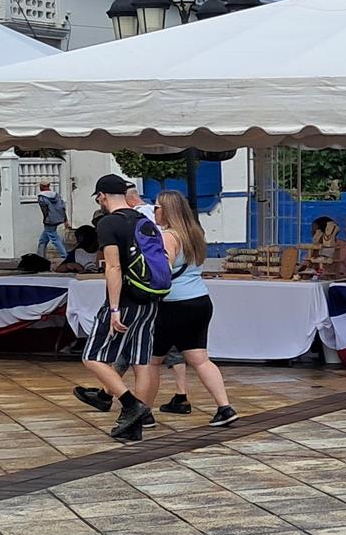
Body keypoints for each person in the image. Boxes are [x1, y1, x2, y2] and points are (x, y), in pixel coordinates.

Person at [74, 174, 165, 442]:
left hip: (124, 300)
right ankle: (135, 425)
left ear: (101, 196)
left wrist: (114, 309)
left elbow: (113, 267)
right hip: (149, 299)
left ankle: (130, 404)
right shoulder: (144, 220)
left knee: (92, 357)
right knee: (141, 361)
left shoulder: (108, 223)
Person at [150, 190, 239, 428]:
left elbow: (163, 272)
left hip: (173, 304)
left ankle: (142, 413)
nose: (154, 211)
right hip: (199, 299)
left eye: (157, 207)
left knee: (151, 361)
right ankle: (224, 407)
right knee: (200, 359)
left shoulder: (168, 236)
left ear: (167, 210)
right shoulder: (195, 233)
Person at [35, 181, 68, 258]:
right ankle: (40, 256)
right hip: (58, 219)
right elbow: (62, 207)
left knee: (54, 238)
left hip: (49, 220)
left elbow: (45, 211)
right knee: (43, 239)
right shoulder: (56, 195)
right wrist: (65, 219)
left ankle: (64, 255)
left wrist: (46, 220)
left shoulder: (41, 197)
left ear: (41, 187)